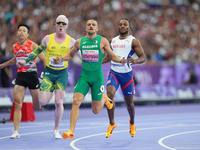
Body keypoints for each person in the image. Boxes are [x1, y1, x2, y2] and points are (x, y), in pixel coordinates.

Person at [53, 19, 126, 139]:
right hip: (84, 77)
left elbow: (112, 56)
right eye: (89, 25)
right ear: (86, 28)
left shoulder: (102, 41)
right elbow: (70, 55)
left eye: (94, 25)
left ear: (97, 29)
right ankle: (71, 131)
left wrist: (121, 60)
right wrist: (61, 59)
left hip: (97, 78)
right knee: (76, 101)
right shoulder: (79, 42)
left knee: (96, 110)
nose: (91, 26)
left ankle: (105, 98)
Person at [17, 15, 76, 139]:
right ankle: (41, 80)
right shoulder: (47, 39)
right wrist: (25, 61)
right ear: (55, 24)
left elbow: (82, 55)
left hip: (62, 74)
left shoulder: (72, 41)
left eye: (63, 23)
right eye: (59, 23)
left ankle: (56, 129)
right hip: (49, 73)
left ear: (67, 26)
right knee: (42, 102)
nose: (61, 25)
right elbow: (37, 52)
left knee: (59, 102)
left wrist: (92, 64)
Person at [0, 24, 46, 139]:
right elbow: (16, 59)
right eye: (19, 30)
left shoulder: (33, 45)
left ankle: (42, 97)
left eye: (24, 31)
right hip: (21, 76)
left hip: (32, 75)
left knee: (37, 106)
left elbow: (43, 58)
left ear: (28, 34)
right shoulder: (14, 46)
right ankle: (16, 131)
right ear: (17, 33)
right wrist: (4, 64)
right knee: (17, 103)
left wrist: (47, 74)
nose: (21, 32)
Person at [102, 18, 146, 138]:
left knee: (129, 102)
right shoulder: (113, 41)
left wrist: (136, 61)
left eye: (125, 25)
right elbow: (108, 57)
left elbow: (143, 57)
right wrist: (97, 63)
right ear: (118, 27)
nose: (122, 26)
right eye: (120, 24)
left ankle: (132, 122)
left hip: (127, 75)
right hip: (114, 72)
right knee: (109, 95)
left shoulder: (133, 41)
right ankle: (112, 123)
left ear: (128, 27)